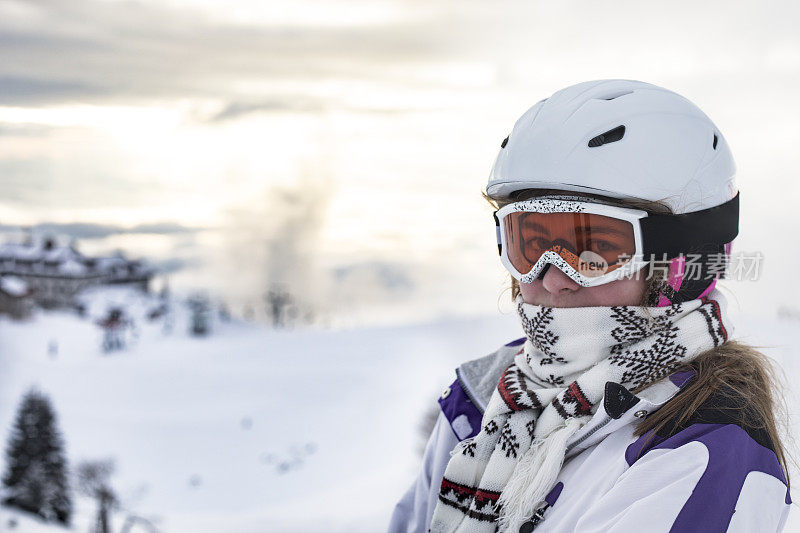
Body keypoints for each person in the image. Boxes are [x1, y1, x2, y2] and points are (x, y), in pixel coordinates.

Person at [388, 79, 792, 533]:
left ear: (681, 266)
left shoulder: (700, 453)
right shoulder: (485, 400)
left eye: (594, 249)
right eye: (531, 243)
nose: (554, 278)